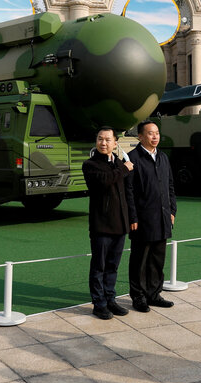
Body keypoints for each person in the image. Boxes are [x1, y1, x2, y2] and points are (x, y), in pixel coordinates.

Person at [82, 127, 134, 319]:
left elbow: (126, 192)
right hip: (101, 225)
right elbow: (106, 180)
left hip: (120, 224)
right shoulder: (90, 165)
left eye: (107, 140)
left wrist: (130, 219)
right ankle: (99, 303)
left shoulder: (118, 163)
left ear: (115, 143)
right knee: (99, 267)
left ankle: (111, 300)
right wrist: (124, 168)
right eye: (100, 139)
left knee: (113, 265)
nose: (103, 143)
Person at [125, 120, 177, 313]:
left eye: (156, 133)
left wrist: (172, 210)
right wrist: (133, 217)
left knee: (157, 259)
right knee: (140, 260)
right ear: (140, 136)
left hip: (163, 217)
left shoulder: (163, 157)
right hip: (142, 220)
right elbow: (128, 192)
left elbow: (170, 186)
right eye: (150, 133)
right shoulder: (132, 159)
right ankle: (138, 297)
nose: (155, 136)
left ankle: (154, 294)